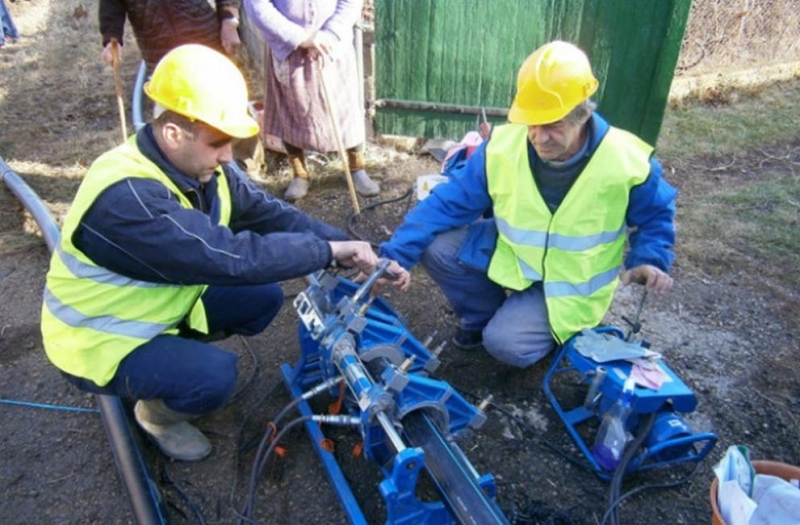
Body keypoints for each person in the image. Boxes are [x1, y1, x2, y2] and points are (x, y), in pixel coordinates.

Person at [40, 44, 409, 462]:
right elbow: (231, 256)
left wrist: (355, 251)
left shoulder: (200, 168)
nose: (228, 156)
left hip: (155, 307)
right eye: (218, 143)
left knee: (264, 297)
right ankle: (156, 414)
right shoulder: (127, 198)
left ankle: (172, 361)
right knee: (215, 378)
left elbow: (269, 214)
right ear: (174, 134)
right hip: (98, 340)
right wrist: (326, 252)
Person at [379, 41, 677, 369]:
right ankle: (484, 317)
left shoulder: (625, 159)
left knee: (505, 344)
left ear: (582, 114)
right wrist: (396, 255)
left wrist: (649, 259)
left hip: (570, 285)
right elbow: (448, 203)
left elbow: (656, 215)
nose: (538, 136)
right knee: (437, 247)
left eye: (552, 125)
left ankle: (533, 327)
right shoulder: (503, 146)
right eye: (532, 123)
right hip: (516, 257)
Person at [244, 0, 380, 201]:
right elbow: (257, 7)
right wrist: (300, 38)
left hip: (333, 45)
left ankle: (356, 168)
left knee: (345, 109)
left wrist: (330, 34)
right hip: (289, 49)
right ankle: (300, 174)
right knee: (291, 111)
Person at [99, 0, 242, 72]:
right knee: (177, 119)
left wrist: (229, 21)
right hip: (160, 54)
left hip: (206, 40)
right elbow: (111, 4)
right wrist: (112, 39)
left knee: (222, 106)